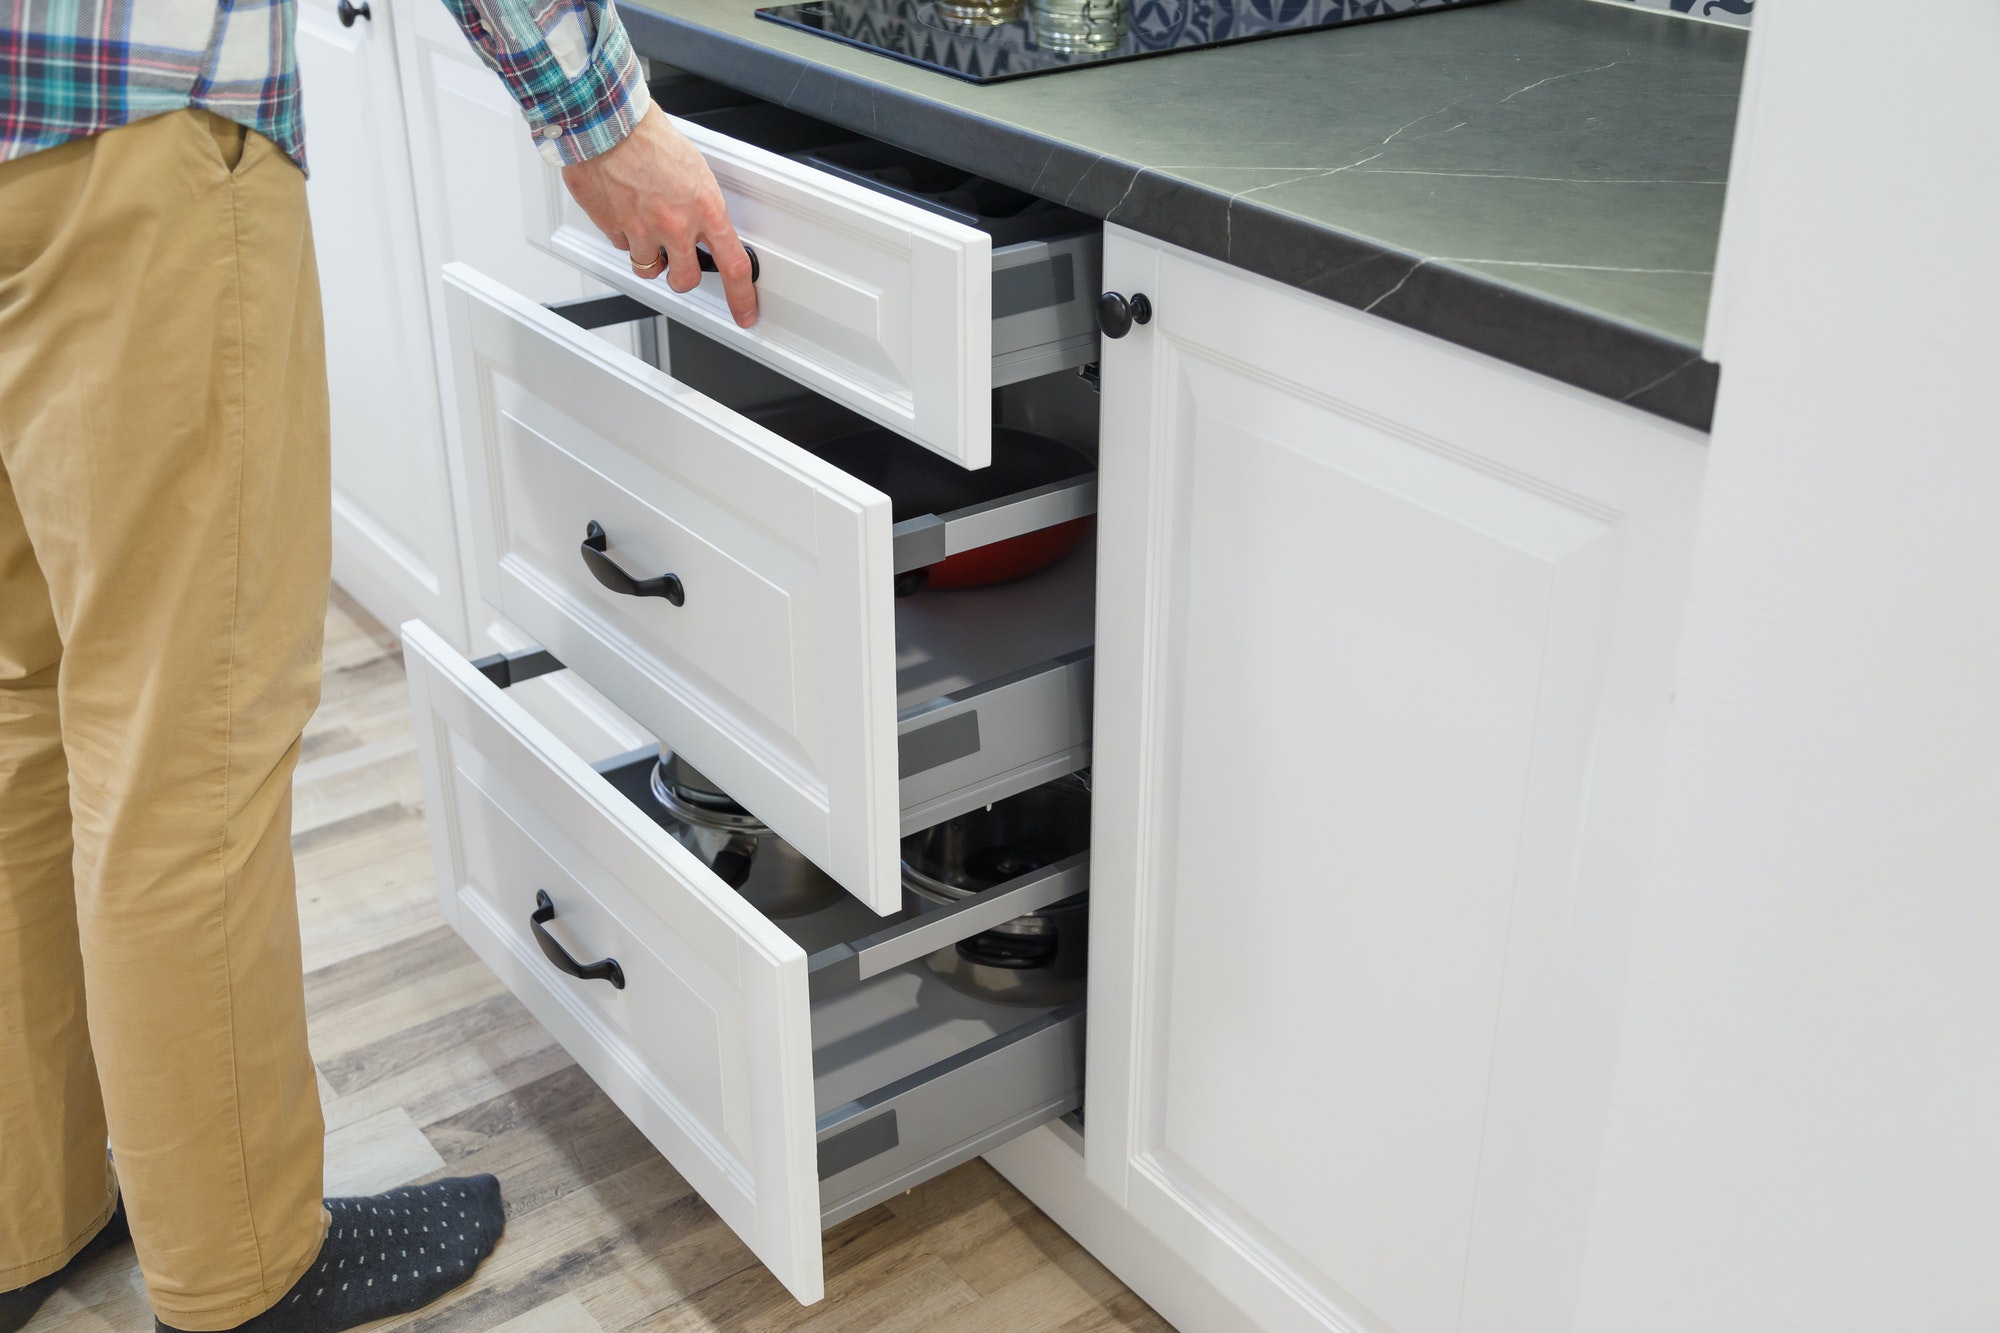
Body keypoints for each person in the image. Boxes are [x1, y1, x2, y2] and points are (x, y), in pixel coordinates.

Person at [0, 3, 755, 1330]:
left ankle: (25, 1215)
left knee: (22, 708)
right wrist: (599, 116)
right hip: (141, 129)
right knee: (186, 743)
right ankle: (239, 1270)